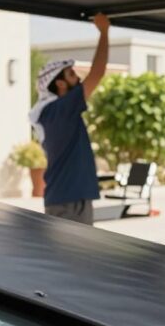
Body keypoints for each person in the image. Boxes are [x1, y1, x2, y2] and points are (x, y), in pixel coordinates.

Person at [29, 13, 110, 224]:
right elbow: (98, 73)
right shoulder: (59, 110)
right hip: (68, 203)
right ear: (60, 84)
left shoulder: (57, 112)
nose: (79, 78)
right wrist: (104, 32)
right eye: (72, 74)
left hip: (72, 199)